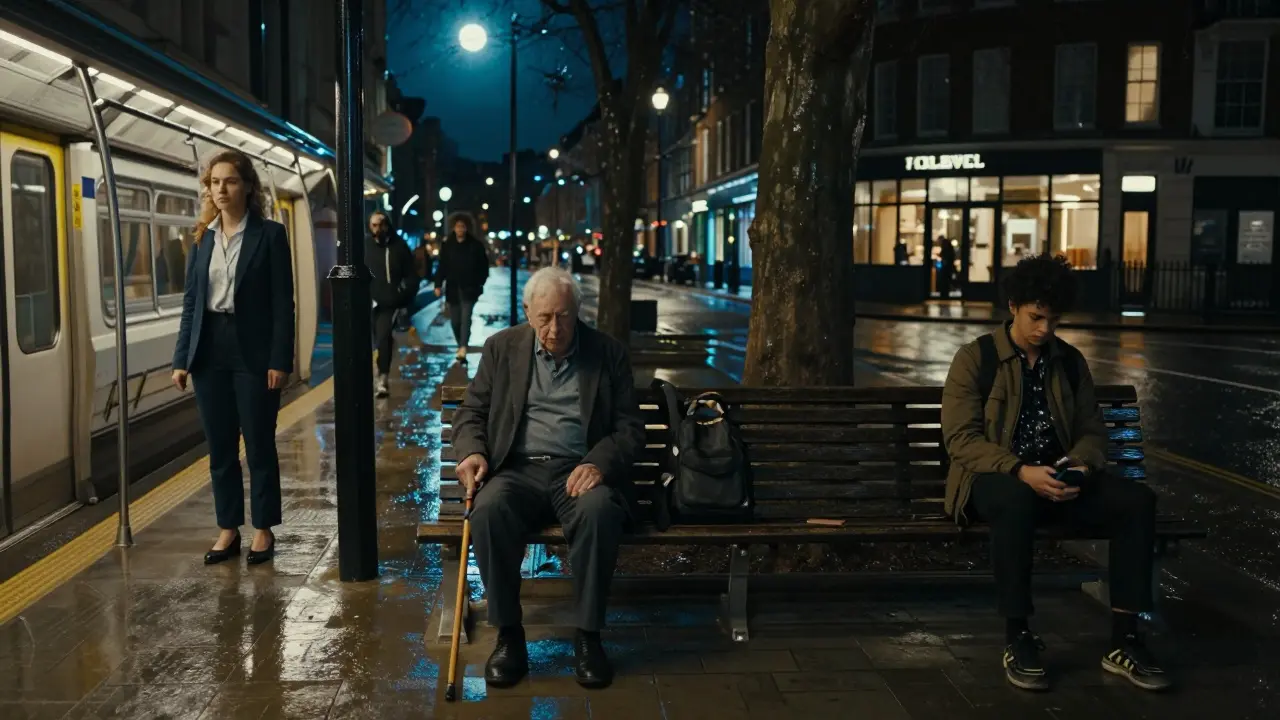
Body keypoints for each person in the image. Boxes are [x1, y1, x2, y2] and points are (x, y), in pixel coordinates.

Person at [940, 253, 1170, 693]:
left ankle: (1125, 640)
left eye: (1053, 319)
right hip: (994, 478)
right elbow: (961, 440)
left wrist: (1081, 467)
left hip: (1058, 478)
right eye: (1036, 317)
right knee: (1014, 500)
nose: (1045, 329)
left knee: (1137, 502)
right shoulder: (976, 359)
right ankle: (1018, 636)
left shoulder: (1067, 361)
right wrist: (1020, 470)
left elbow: (1091, 431)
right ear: (1013, 307)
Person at [451, 267, 645, 690]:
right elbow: (471, 413)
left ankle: (589, 637)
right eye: (544, 318)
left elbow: (630, 429)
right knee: (487, 512)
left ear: (578, 312)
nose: (554, 329)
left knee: (599, 511)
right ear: (527, 312)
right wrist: (472, 451)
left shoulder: (607, 353)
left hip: (577, 469)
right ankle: (508, 636)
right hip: (517, 469)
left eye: (563, 316)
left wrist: (599, 464)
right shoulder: (501, 349)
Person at [172, 149, 294, 566]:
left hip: (254, 351)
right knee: (220, 447)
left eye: (230, 181)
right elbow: (192, 302)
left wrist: (280, 359)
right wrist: (181, 358)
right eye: (214, 182)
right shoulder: (202, 236)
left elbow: (283, 304)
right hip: (209, 350)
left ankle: (263, 528)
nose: (220, 189)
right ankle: (228, 529)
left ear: (247, 187)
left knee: (259, 443)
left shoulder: (271, 235)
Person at [366, 211, 418, 397]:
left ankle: (383, 377)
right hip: (369, 301)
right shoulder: (365, 246)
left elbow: (411, 276)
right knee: (374, 340)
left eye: (380, 224)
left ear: (387, 225)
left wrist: (401, 296)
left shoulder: (399, 247)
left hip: (390, 303)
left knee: (383, 337)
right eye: (373, 225)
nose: (377, 229)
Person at [434, 213, 489, 362]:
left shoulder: (475, 245)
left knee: (466, 318)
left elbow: (483, 266)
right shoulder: (447, 245)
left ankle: (463, 347)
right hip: (452, 288)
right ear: (454, 228)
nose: (460, 229)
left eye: (462, 226)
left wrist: (479, 282)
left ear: (467, 228)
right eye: (458, 226)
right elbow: (442, 266)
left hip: (470, 288)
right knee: (455, 321)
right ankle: (461, 344)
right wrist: (438, 284)